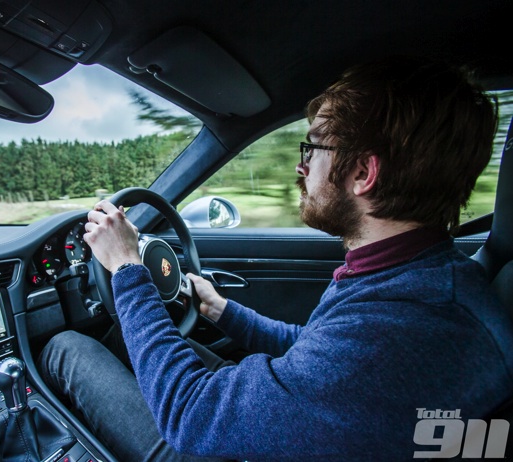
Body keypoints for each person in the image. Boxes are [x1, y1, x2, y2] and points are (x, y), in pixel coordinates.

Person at [39, 56, 513, 461]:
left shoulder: (396, 330)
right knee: (130, 337)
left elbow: (188, 414)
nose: (300, 165)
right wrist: (220, 309)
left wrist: (126, 267)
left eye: (314, 146)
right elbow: (312, 351)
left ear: (364, 172)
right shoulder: (421, 278)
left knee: (67, 349)